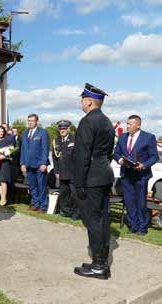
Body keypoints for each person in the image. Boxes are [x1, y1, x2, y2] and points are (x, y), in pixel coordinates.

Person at [73, 83, 115, 280]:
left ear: (89, 101)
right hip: (104, 174)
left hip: (91, 179)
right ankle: (101, 261)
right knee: (101, 219)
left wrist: (79, 183)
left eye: (82, 99)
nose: (81, 103)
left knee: (94, 221)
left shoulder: (88, 121)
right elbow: (108, 152)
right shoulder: (106, 121)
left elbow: (82, 155)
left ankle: (99, 265)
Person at [113, 115, 159, 235]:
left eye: (130, 124)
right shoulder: (123, 137)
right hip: (126, 175)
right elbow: (116, 153)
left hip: (141, 175)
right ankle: (133, 226)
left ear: (138, 125)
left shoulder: (148, 137)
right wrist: (120, 160)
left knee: (141, 202)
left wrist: (144, 165)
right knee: (129, 202)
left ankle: (142, 227)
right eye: (127, 123)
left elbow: (154, 156)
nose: (127, 126)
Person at [20, 114, 50, 213]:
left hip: (39, 165)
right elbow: (23, 150)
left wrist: (44, 163)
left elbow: (45, 149)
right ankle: (36, 204)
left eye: (32, 121)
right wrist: (22, 163)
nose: (30, 122)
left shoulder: (42, 132)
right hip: (28, 165)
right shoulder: (25, 133)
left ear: (37, 121)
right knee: (32, 186)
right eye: (28, 121)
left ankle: (43, 206)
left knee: (42, 186)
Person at [52, 120, 79, 219]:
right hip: (62, 172)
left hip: (73, 172)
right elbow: (54, 158)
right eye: (60, 128)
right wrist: (56, 171)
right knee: (64, 193)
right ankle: (66, 211)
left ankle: (76, 213)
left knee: (75, 194)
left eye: (64, 128)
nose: (62, 130)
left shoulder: (75, 139)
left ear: (68, 129)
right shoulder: (56, 141)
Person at [0, 125, 16, 206]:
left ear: (4, 133)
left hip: (4, 164)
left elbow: (11, 151)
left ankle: (4, 199)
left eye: (2, 131)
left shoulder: (7, 141)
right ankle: (1, 198)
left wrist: (3, 156)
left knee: (3, 181)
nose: (1, 133)